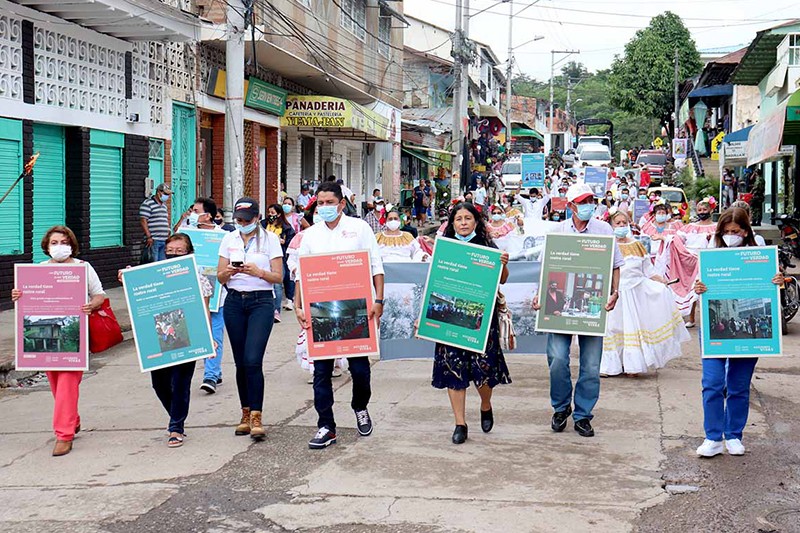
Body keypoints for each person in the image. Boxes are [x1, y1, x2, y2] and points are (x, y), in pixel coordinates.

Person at [295, 182, 385, 449]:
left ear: (341, 204)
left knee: (360, 370)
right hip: (321, 311)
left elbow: (375, 265)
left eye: (329, 203)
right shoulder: (311, 235)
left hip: (355, 309)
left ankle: (360, 406)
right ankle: (326, 425)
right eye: (319, 204)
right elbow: (301, 272)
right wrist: (298, 306)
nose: (324, 208)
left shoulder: (359, 229)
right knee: (321, 372)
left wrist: (378, 300)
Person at [533, 183, 623, 438]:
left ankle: (583, 415)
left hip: (592, 310)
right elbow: (546, 270)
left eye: (591, 201)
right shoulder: (558, 232)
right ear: (571, 205)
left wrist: (615, 292)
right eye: (582, 202)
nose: (588, 206)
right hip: (559, 309)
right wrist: (539, 297)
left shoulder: (604, 230)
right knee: (558, 359)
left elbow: (615, 265)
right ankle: (561, 408)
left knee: (591, 365)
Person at [693, 207, 784, 457]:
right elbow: (697, 282)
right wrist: (698, 288)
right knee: (712, 383)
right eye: (727, 231)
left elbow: (769, 279)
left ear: (746, 231)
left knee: (739, 385)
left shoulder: (759, 248)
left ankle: (734, 434)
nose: (732, 235)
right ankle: (712, 437)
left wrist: (777, 280)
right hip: (713, 331)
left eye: (737, 231)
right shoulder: (711, 247)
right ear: (720, 231)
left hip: (746, 337)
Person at [11, 226, 105, 456]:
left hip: (74, 335)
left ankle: (63, 435)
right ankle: (72, 418)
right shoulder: (38, 270)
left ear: (72, 245)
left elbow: (100, 295)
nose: (59, 246)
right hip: (47, 336)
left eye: (64, 242)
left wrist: (92, 305)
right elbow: (29, 303)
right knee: (56, 383)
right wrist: (18, 296)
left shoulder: (83, 268)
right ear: (46, 246)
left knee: (66, 383)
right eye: (54, 242)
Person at [431, 202, 511, 444]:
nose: (463, 223)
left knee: (483, 370)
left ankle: (485, 404)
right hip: (451, 320)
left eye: (468, 218)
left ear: (476, 221)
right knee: (454, 369)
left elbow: (503, 280)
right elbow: (436, 282)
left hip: (481, 321)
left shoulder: (486, 247)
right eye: (459, 219)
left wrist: (503, 264)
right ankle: (460, 424)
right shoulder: (446, 248)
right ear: (452, 223)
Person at [217, 197, 284, 441]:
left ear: (257, 218)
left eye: (246, 220)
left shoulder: (270, 239)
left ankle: (257, 415)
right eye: (238, 220)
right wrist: (230, 271)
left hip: (261, 302)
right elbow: (219, 276)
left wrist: (259, 272)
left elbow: (278, 277)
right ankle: (245, 413)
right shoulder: (229, 238)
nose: (242, 223)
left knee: (253, 359)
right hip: (235, 301)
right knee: (240, 363)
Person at [601, 210, 689, 376]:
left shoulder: (637, 245)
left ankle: (632, 366)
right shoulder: (606, 245)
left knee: (633, 329)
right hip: (614, 293)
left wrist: (661, 281)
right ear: (611, 225)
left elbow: (648, 270)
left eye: (624, 223)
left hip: (635, 293)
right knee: (613, 328)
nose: (621, 226)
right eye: (617, 223)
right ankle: (610, 366)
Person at [151, 233, 214, 447]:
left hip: (189, 336)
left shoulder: (197, 276)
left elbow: (205, 310)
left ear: (190, 253)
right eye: (170, 251)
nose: (174, 255)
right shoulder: (154, 274)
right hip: (158, 336)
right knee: (159, 383)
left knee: (180, 381)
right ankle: (176, 416)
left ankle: (176, 427)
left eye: (180, 251)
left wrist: (208, 338)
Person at [174, 197, 227, 394]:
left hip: (215, 296)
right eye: (192, 210)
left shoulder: (224, 237)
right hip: (188, 293)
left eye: (196, 211)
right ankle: (215, 370)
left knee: (214, 335)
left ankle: (210, 375)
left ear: (209, 215)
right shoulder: (185, 235)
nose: (192, 214)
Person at [262, 204, 296, 323]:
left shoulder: (286, 227)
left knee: (277, 283)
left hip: (278, 257)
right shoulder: (263, 224)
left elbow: (291, 243)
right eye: (269, 213)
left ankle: (276, 310)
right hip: (263, 256)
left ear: (279, 214)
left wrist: (283, 242)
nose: (270, 215)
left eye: (273, 213)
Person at [139, 183, 173, 261]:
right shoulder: (147, 204)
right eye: (165, 194)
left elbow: (164, 220)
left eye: (168, 194)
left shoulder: (164, 206)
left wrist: (168, 231)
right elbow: (143, 220)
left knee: (162, 263)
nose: (167, 196)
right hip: (154, 240)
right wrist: (149, 236)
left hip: (164, 239)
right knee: (153, 262)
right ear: (158, 192)